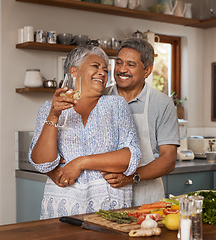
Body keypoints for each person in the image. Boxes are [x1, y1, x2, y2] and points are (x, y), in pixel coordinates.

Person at [29, 45, 141, 219]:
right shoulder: (48, 109)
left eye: (105, 69)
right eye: (96, 66)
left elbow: (129, 157)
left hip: (109, 209)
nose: (103, 72)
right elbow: (43, 163)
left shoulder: (117, 106)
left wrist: (80, 163)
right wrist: (54, 115)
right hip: (63, 208)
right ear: (74, 71)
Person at [103, 38, 180, 206]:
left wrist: (130, 177)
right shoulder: (101, 97)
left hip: (147, 195)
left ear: (147, 71)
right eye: (119, 62)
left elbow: (168, 159)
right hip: (106, 193)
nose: (122, 69)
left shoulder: (162, 104)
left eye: (130, 64)